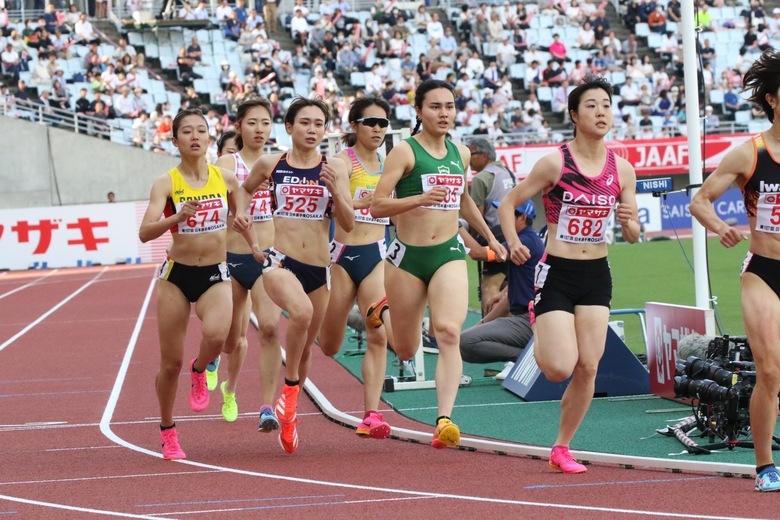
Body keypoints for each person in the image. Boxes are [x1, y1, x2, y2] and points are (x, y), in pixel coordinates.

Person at [497, 76, 640, 474]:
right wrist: (512, 241)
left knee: (589, 366)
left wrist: (630, 222)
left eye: (606, 104)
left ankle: (562, 447)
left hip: (597, 273)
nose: (601, 112)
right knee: (559, 367)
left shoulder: (622, 169)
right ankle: (537, 319)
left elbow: (631, 234)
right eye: (591, 105)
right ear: (575, 115)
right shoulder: (556, 163)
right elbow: (509, 203)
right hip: (557, 272)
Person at [370, 79, 506, 449]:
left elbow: (464, 201)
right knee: (406, 349)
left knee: (448, 331)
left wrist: (489, 238)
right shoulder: (404, 153)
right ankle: (381, 313)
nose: (444, 113)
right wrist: (419, 199)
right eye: (435, 106)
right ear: (419, 111)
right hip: (407, 259)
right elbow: (378, 205)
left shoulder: (460, 153)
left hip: (447, 253)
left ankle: (444, 419)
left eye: (449, 106)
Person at [138, 109, 264, 460]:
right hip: (176, 276)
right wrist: (177, 217)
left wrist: (252, 243)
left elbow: (243, 211)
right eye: (187, 131)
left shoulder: (224, 179)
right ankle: (168, 430)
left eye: (202, 131)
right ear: (175, 139)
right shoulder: (166, 183)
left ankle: (200, 369)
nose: (196, 136)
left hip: (214, 271)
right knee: (168, 363)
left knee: (219, 335)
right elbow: (145, 232)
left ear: (210, 138)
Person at [233, 97, 353, 454]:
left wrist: (335, 191)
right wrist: (243, 217)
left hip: (319, 268)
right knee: (301, 313)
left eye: (319, 124)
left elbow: (346, 223)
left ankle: (290, 413)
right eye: (305, 123)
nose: (312, 129)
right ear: (289, 127)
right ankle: (287, 392)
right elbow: (242, 190)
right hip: (279, 260)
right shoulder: (273, 163)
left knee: (305, 351)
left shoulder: (336, 168)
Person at [690, 49, 780, 493]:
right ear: (772, 100)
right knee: (770, 371)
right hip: (765, 271)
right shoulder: (750, 153)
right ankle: (766, 466)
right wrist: (721, 227)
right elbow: (699, 201)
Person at [317, 97, 396, 439]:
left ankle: (372, 415)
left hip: (376, 255)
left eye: (383, 123)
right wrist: (355, 202)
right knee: (330, 345)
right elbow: (340, 214)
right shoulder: (341, 162)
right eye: (370, 122)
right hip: (342, 257)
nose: (378, 129)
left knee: (378, 331)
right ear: (354, 125)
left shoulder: (390, 164)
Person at [211, 98, 283, 430]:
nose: (259, 129)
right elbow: (225, 198)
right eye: (252, 122)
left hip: (266, 257)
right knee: (231, 339)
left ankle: (267, 406)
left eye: (265, 123)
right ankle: (227, 383)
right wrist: (249, 188)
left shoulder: (282, 162)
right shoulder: (227, 161)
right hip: (231, 258)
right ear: (239, 126)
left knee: (269, 328)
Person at [459, 200, 544, 379]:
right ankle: (529, 357)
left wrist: (455, 225)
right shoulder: (528, 239)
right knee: (465, 343)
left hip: (530, 320)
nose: (501, 218)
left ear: (522, 218)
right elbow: (514, 296)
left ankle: (529, 359)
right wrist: (482, 325)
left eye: (507, 214)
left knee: (465, 342)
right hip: (530, 318)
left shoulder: (524, 241)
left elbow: (478, 253)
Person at [466, 137, 516, 315]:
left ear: (484, 155)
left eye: (471, 153)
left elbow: (476, 216)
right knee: (507, 286)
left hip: (495, 236)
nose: (469, 158)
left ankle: (487, 329)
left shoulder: (481, 178)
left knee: (489, 287)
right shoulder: (508, 173)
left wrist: (471, 238)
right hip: (512, 234)